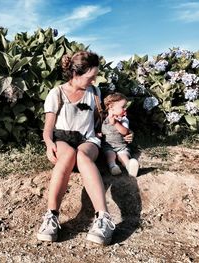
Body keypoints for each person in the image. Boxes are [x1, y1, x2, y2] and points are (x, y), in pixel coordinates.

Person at [37, 50, 116, 245]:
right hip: (63, 139)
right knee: (69, 153)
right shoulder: (56, 94)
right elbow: (48, 130)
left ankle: (103, 218)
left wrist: (118, 131)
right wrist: (49, 145)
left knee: (81, 155)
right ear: (75, 73)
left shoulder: (95, 93)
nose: (94, 81)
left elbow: (99, 123)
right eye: (90, 77)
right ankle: (51, 216)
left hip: (88, 141)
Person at [102, 93, 139, 177]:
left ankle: (129, 166)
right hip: (108, 146)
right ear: (111, 107)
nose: (125, 109)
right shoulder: (104, 118)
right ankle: (113, 166)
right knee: (110, 154)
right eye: (123, 107)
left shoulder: (123, 119)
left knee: (123, 155)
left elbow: (125, 132)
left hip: (121, 145)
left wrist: (115, 123)